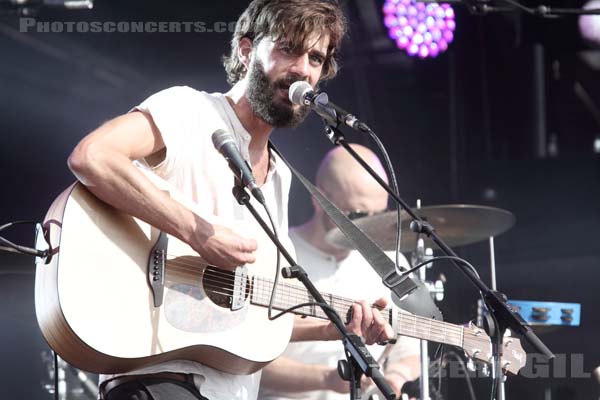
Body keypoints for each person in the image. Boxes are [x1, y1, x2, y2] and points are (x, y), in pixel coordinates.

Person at [66, 1, 395, 400]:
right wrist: (197, 232)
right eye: (288, 48)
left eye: (315, 58)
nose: (303, 69)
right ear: (245, 51)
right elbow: (93, 156)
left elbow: (247, 312)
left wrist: (334, 326)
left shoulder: (280, 176)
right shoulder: (189, 110)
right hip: (156, 379)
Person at [258, 144, 421, 400]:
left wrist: (393, 381)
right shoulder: (274, 255)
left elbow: (410, 348)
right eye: (357, 214)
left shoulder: (390, 262)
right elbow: (248, 358)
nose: (368, 228)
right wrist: (327, 379)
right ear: (319, 199)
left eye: (379, 215)